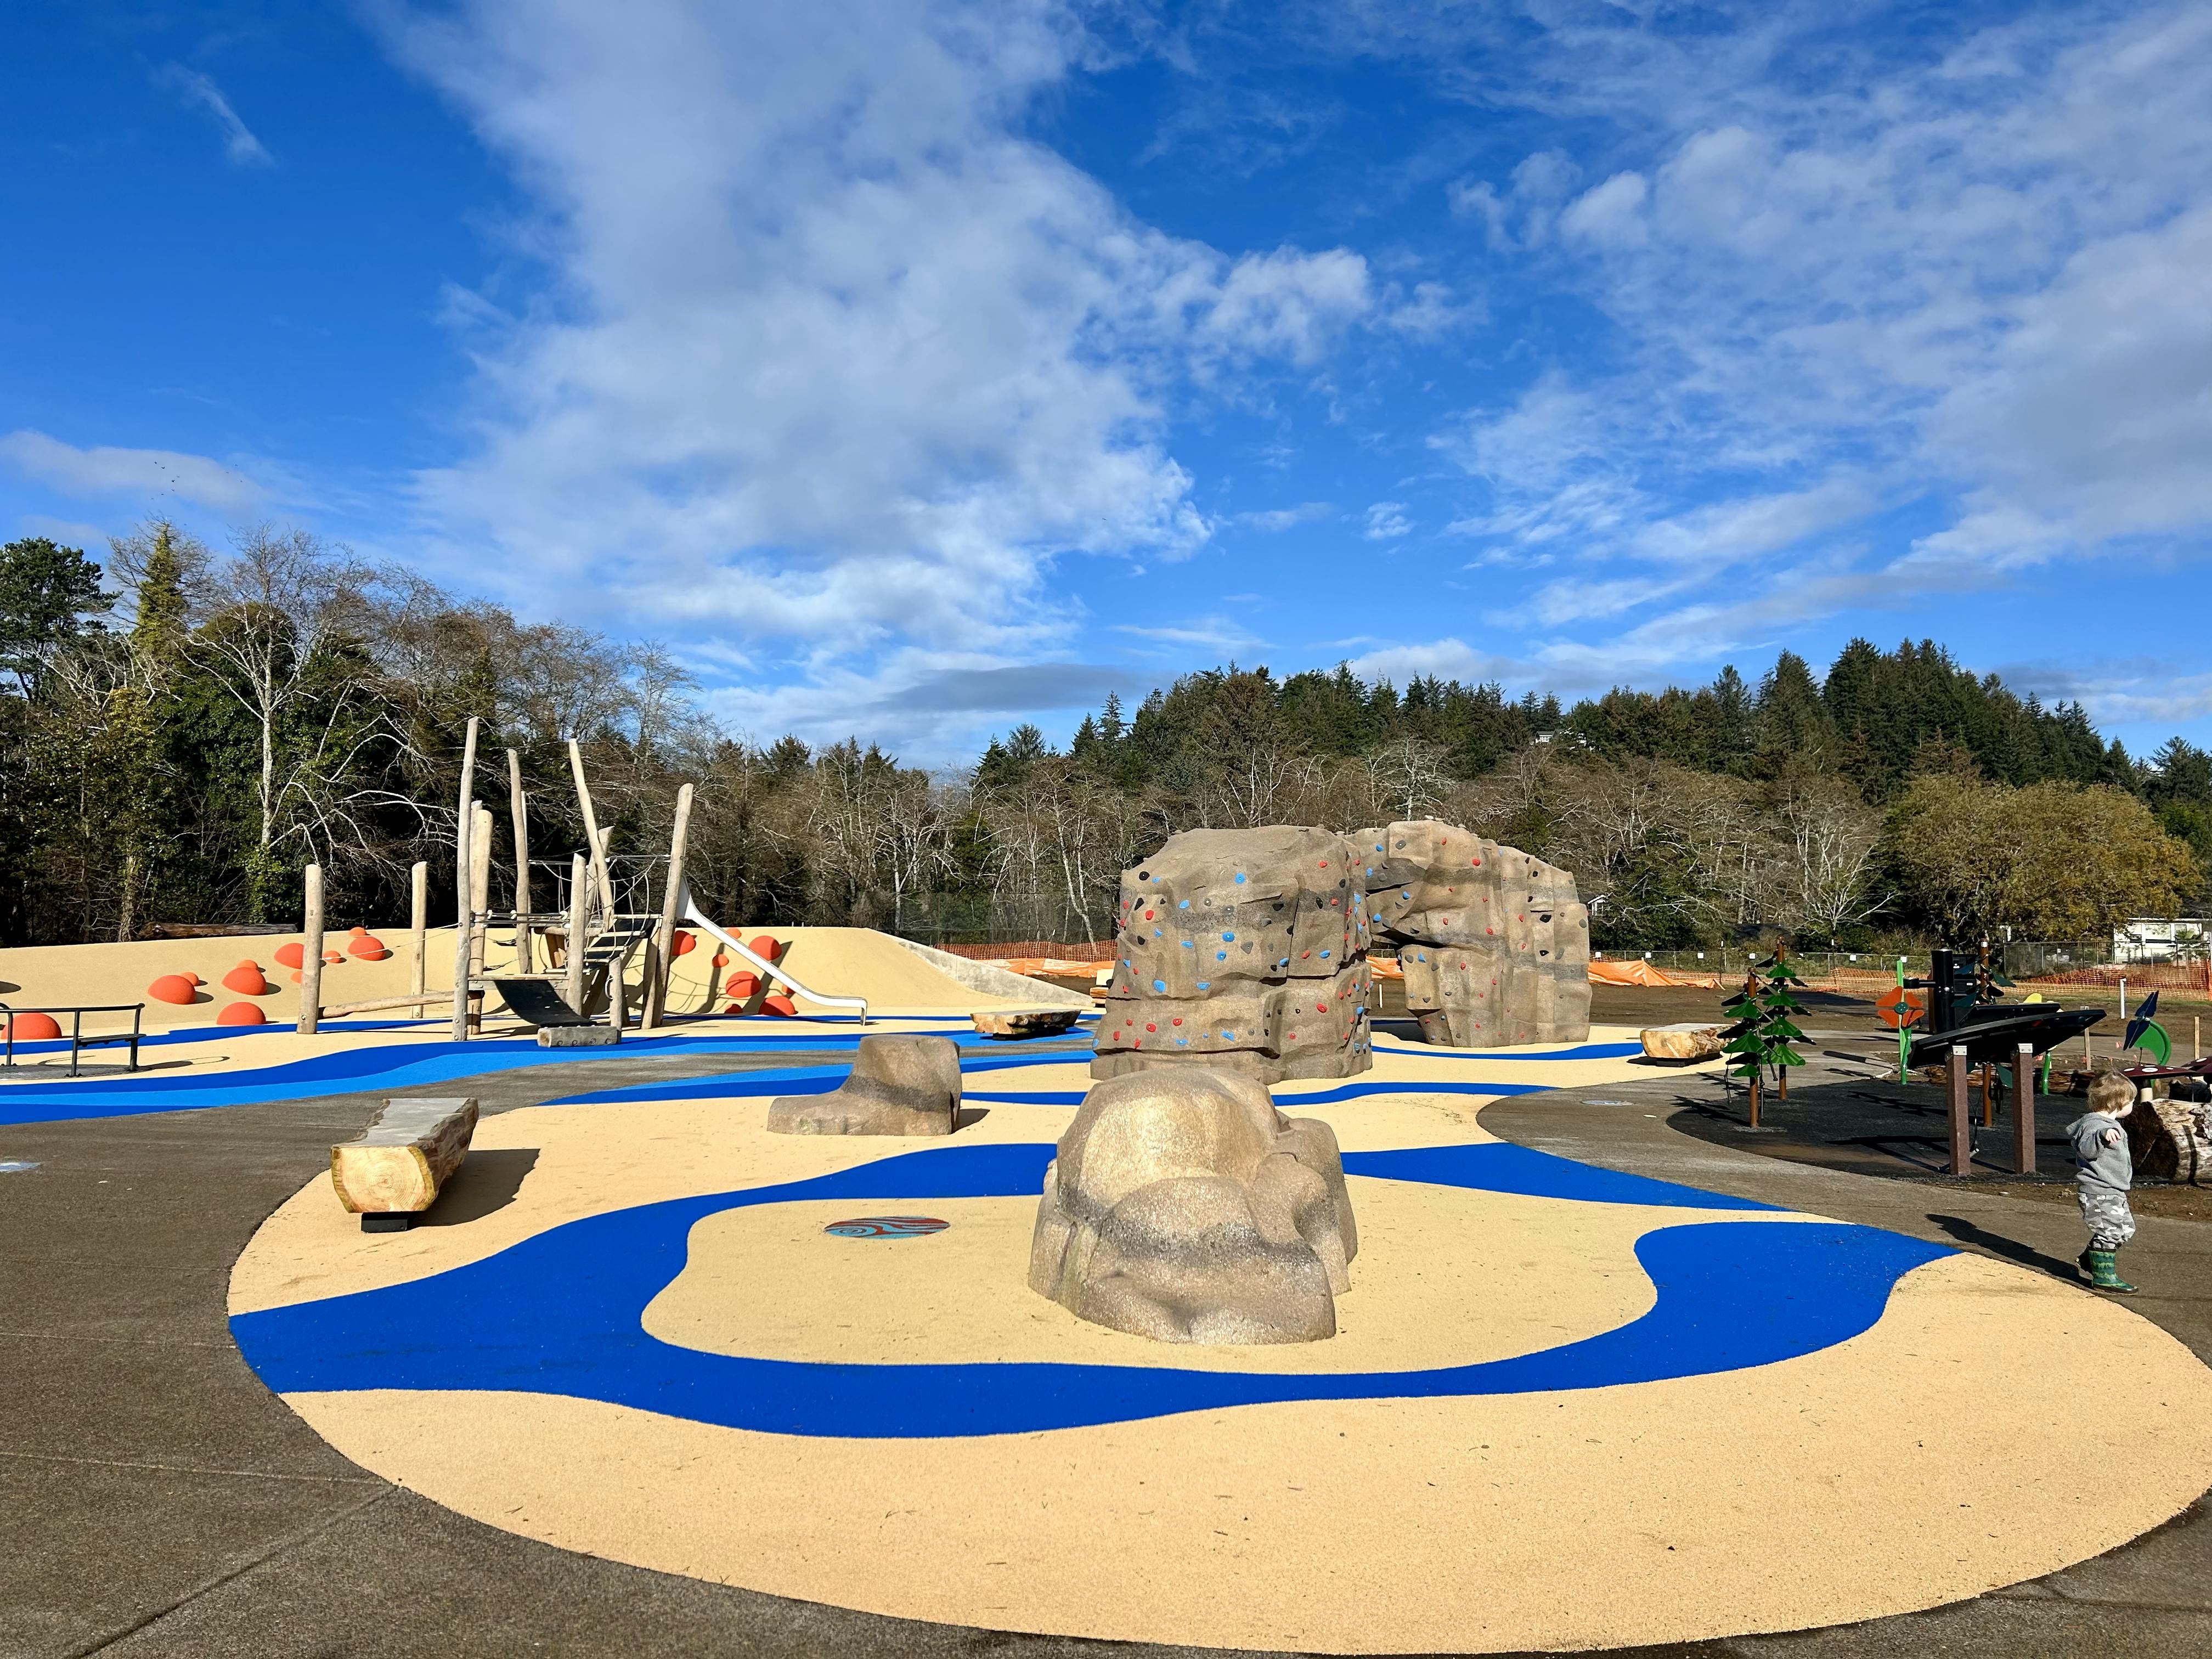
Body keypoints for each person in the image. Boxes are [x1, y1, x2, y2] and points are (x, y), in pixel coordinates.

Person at [2068, 1071, 2139, 1293]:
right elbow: (2087, 1149)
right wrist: (2102, 1136)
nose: (2132, 1106)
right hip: (2099, 1192)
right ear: (2116, 1103)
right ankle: (2104, 1277)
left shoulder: (2109, 1124)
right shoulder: (2095, 1126)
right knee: (2109, 1232)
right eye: (2131, 1102)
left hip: (2113, 1189)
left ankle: (2092, 1259)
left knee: (2126, 1230)